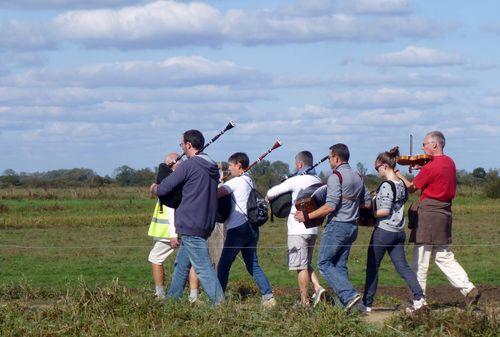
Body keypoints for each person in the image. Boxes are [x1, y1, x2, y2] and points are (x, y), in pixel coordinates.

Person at [396, 131, 480, 306]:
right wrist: (422, 168)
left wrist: (398, 174)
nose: (422, 147)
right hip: (444, 213)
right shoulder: (449, 162)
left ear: (435, 145)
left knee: (421, 261)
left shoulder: (430, 166)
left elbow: (412, 187)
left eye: (425, 143)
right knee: (443, 256)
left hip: (428, 215)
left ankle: (418, 303)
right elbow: (436, 177)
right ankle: (469, 288)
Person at [150, 130, 223, 305]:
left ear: (188, 145)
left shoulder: (188, 166)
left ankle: (220, 305)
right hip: (205, 222)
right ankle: (172, 301)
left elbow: (164, 189)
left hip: (190, 222)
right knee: (181, 265)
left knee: (203, 268)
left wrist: (154, 187)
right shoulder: (211, 165)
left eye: (182, 144)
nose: (181, 147)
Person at [295, 144, 371, 309]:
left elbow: (330, 206)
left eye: (330, 157)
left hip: (337, 226)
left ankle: (349, 295)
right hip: (352, 227)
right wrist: (350, 202)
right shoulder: (358, 176)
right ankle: (345, 306)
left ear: (336, 158)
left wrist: (306, 216)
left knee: (324, 263)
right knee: (339, 266)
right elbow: (367, 203)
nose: (329, 160)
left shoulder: (336, 177)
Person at [360, 147, 425, 314]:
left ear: (384, 165)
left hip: (383, 232)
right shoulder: (402, 184)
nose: (377, 171)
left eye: (377, 168)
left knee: (373, 267)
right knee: (403, 267)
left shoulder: (386, 186)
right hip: (399, 232)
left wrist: (368, 215)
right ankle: (419, 298)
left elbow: (384, 211)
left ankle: (366, 304)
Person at [217, 152, 276, 308]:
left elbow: (217, 194)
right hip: (252, 228)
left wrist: (218, 183)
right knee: (252, 264)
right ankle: (268, 297)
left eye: (231, 166)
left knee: (223, 265)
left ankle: (219, 300)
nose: (229, 169)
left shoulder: (236, 182)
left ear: (238, 165)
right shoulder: (250, 180)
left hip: (237, 229)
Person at [266, 151, 326, 306]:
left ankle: (304, 302)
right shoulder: (318, 180)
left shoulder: (296, 180)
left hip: (297, 229)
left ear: (299, 164)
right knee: (306, 263)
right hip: (312, 228)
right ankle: (318, 288)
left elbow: (271, 193)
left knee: (300, 267)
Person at [147, 153, 200, 302]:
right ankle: (193, 297)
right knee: (193, 262)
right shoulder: (187, 179)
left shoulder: (172, 181)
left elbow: (171, 207)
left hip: (171, 231)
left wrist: (172, 233)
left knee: (155, 257)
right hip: (189, 227)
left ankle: (160, 294)